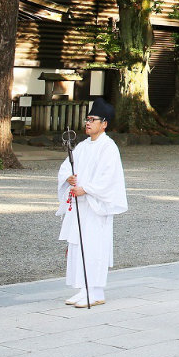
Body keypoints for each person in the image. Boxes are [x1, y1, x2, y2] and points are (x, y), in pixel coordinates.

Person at [56, 98, 127, 309]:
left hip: (96, 206)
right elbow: (66, 167)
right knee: (78, 245)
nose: (88, 123)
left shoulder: (109, 147)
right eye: (87, 119)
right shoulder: (82, 147)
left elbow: (108, 178)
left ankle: (95, 291)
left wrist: (86, 188)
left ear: (104, 123)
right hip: (81, 204)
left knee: (94, 246)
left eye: (93, 119)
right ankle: (82, 288)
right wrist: (69, 178)